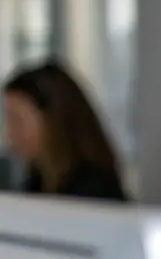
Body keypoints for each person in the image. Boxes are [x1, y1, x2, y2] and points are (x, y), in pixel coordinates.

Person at [3, 58, 129, 202]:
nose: (10, 135)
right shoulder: (37, 184)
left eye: (17, 120)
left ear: (53, 121)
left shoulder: (93, 192)